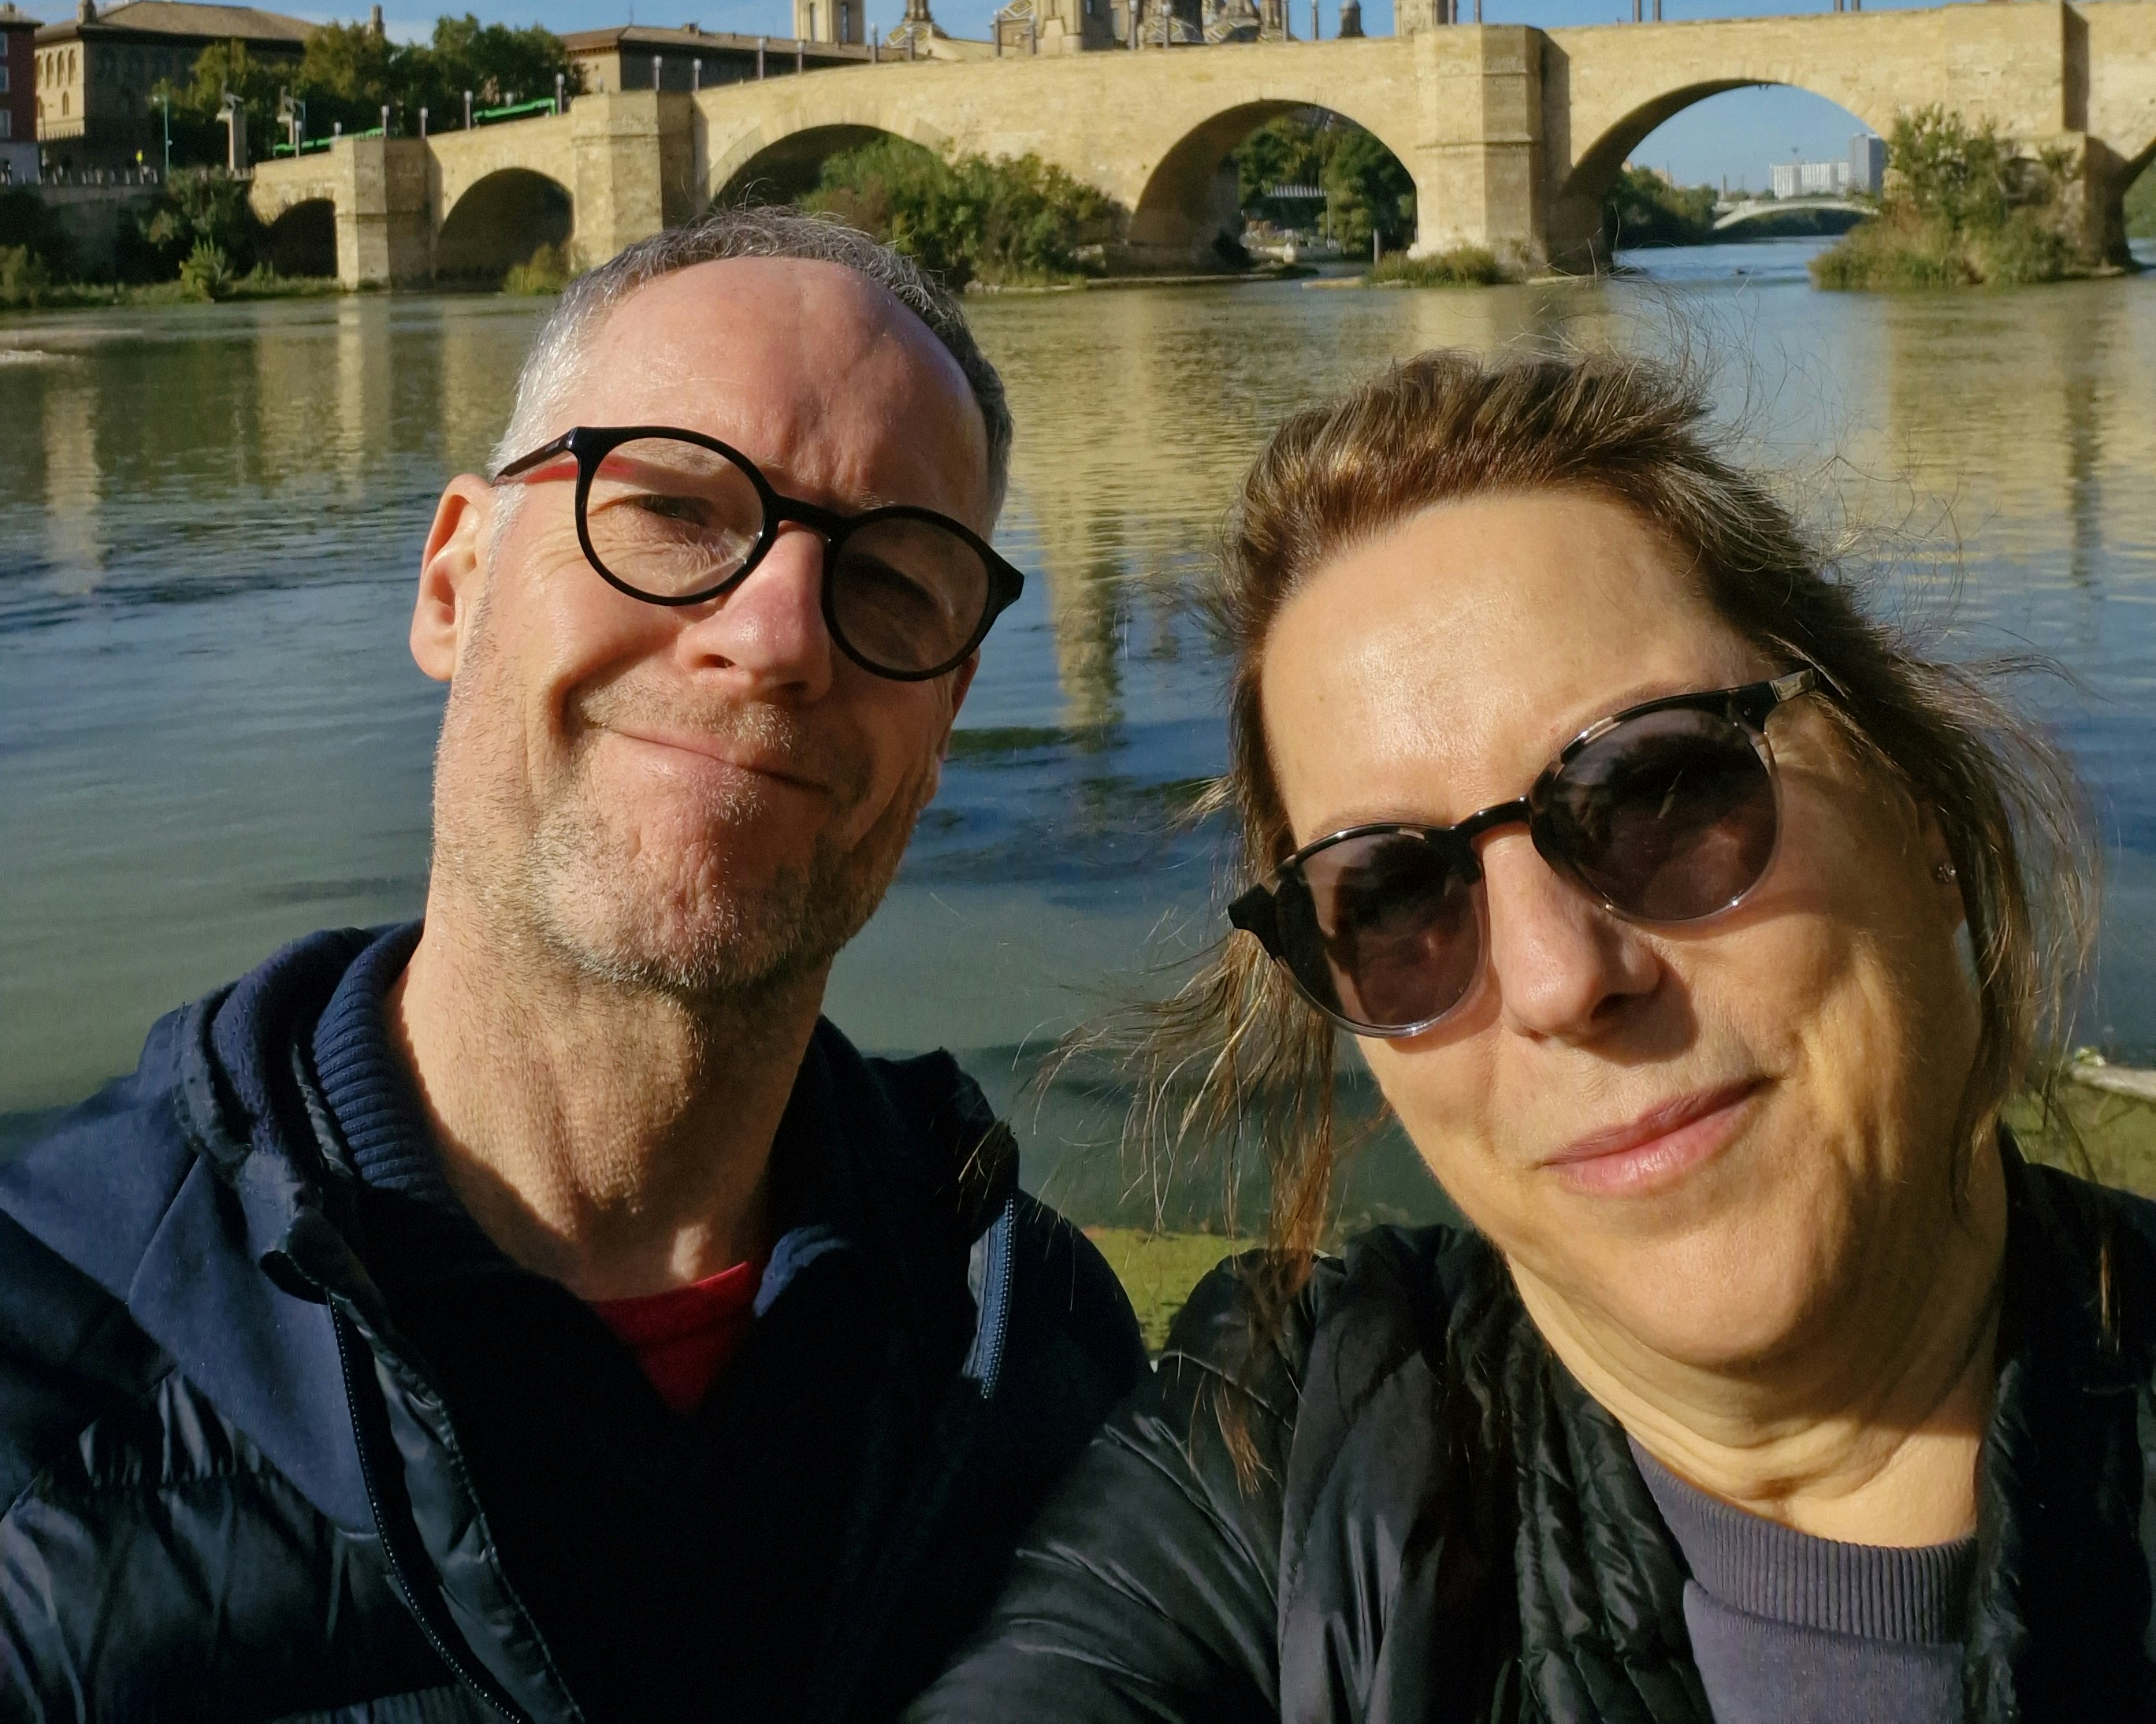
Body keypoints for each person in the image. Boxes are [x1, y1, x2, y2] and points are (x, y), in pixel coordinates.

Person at [0, 209, 1142, 1722]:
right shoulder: (41, 1355)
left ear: (942, 730)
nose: (779, 634)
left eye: (897, 583)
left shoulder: (1041, 1353)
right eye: (671, 508)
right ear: (454, 583)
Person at [911, 347, 2156, 1721]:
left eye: (1666, 789)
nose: (1562, 979)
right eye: (1392, 899)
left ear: (1915, 807)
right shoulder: (1265, 1472)